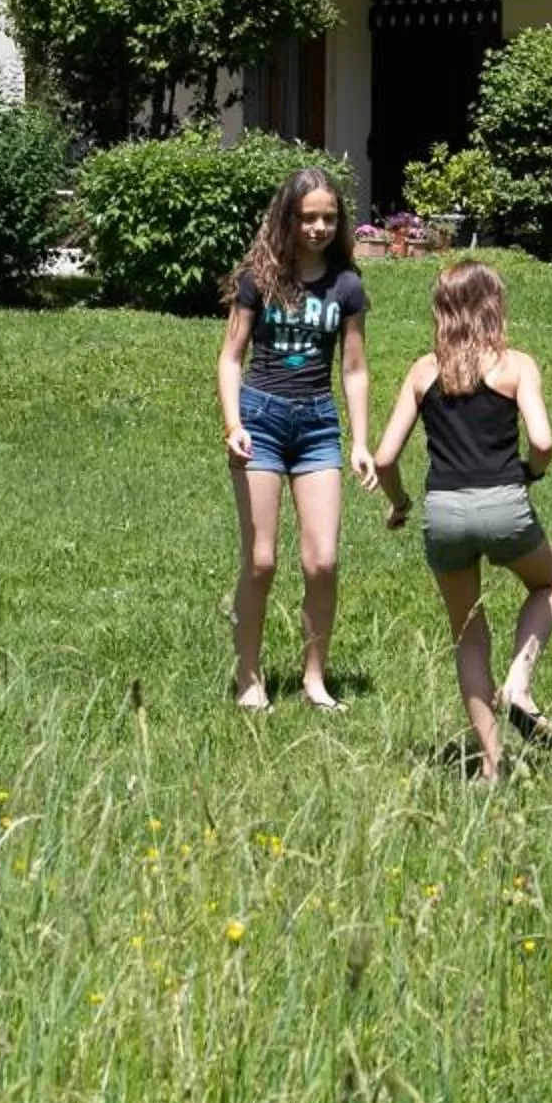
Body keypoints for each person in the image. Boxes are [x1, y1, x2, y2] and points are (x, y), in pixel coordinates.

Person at [369, 260, 552, 783]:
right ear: (493, 306)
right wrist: (531, 473)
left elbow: (384, 459)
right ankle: (519, 684)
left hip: (444, 512)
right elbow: (543, 442)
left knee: (469, 633)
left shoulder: (423, 371)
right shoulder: (515, 365)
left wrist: (400, 503)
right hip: (504, 502)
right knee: (550, 582)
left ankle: (490, 767)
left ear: (442, 309)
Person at [216, 167, 374, 712]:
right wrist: (234, 424)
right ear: (288, 218)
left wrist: (360, 441)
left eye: (329, 216)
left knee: (322, 561)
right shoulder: (259, 279)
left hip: (317, 427)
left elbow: (353, 369)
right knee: (260, 561)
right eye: (308, 217)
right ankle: (249, 678)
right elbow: (230, 358)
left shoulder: (346, 286)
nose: (319, 226)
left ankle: (314, 678)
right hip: (259, 420)